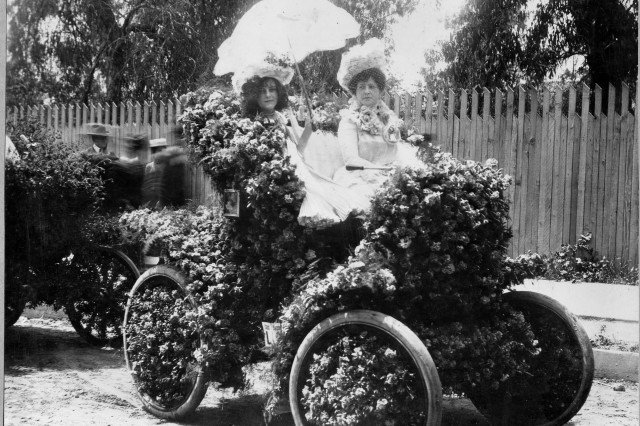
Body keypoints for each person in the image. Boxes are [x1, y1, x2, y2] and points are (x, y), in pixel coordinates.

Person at [235, 61, 369, 229]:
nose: (269, 95)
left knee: (328, 191)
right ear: (254, 95)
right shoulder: (256, 123)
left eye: (272, 89)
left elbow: (297, 150)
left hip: (297, 167)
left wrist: (307, 129)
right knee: (315, 196)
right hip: (277, 175)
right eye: (262, 91)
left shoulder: (280, 117)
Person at [333, 38, 417, 209]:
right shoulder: (349, 121)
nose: (367, 91)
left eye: (372, 86)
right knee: (375, 202)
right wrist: (381, 172)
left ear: (380, 91)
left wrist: (398, 171)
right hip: (361, 177)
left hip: (390, 174)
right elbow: (351, 160)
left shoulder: (388, 118)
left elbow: (397, 151)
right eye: (361, 87)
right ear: (355, 92)